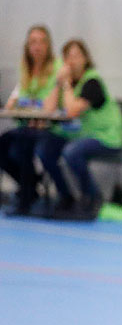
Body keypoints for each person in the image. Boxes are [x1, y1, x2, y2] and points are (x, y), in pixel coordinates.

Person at [34, 39, 122, 220]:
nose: (72, 60)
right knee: (44, 149)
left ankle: (91, 197)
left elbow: (72, 112)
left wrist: (66, 84)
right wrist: (58, 84)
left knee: (72, 152)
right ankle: (65, 196)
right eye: (68, 56)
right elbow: (47, 110)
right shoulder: (64, 83)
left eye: (77, 56)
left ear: (85, 59)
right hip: (76, 135)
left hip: (105, 136)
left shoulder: (92, 82)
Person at [1, 25, 59, 216]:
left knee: (22, 145)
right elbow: (13, 103)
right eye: (33, 42)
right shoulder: (26, 69)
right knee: (4, 145)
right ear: (27, 45)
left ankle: (26, 200)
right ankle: (32, 184)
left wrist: (30, 107)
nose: (37, 46)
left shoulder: (56, 68)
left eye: (42, 41)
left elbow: (50, 105)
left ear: (48, 45)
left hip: (51, 127)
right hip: (27, 125)